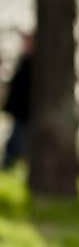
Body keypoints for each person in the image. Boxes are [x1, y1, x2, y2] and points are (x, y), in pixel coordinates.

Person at [1, 29, 34, 170]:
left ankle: (9, 165)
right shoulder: (24, 60)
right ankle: (9, 165)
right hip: (20, 112)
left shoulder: (30, 63)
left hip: (24, 112)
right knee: (16, 140)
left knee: (17, 140)